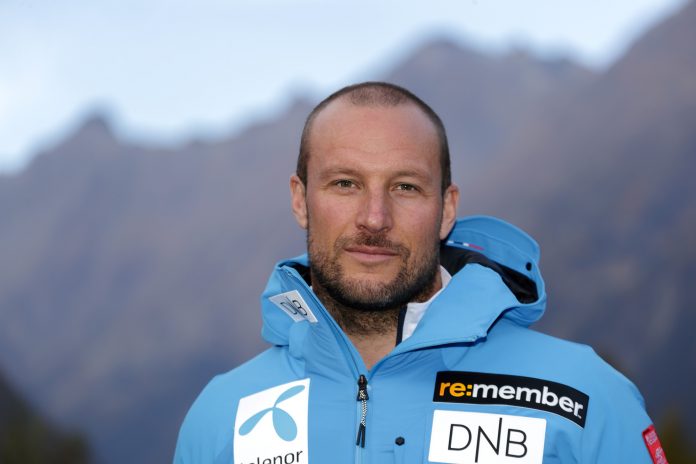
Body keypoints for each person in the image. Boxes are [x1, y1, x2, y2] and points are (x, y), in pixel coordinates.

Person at [174, 82, 667, 463]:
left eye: (405, 187)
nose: (374, 218)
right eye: (345, 184)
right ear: (301, 200)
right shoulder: (224, 415)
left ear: (446, 209)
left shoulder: (581, 396)